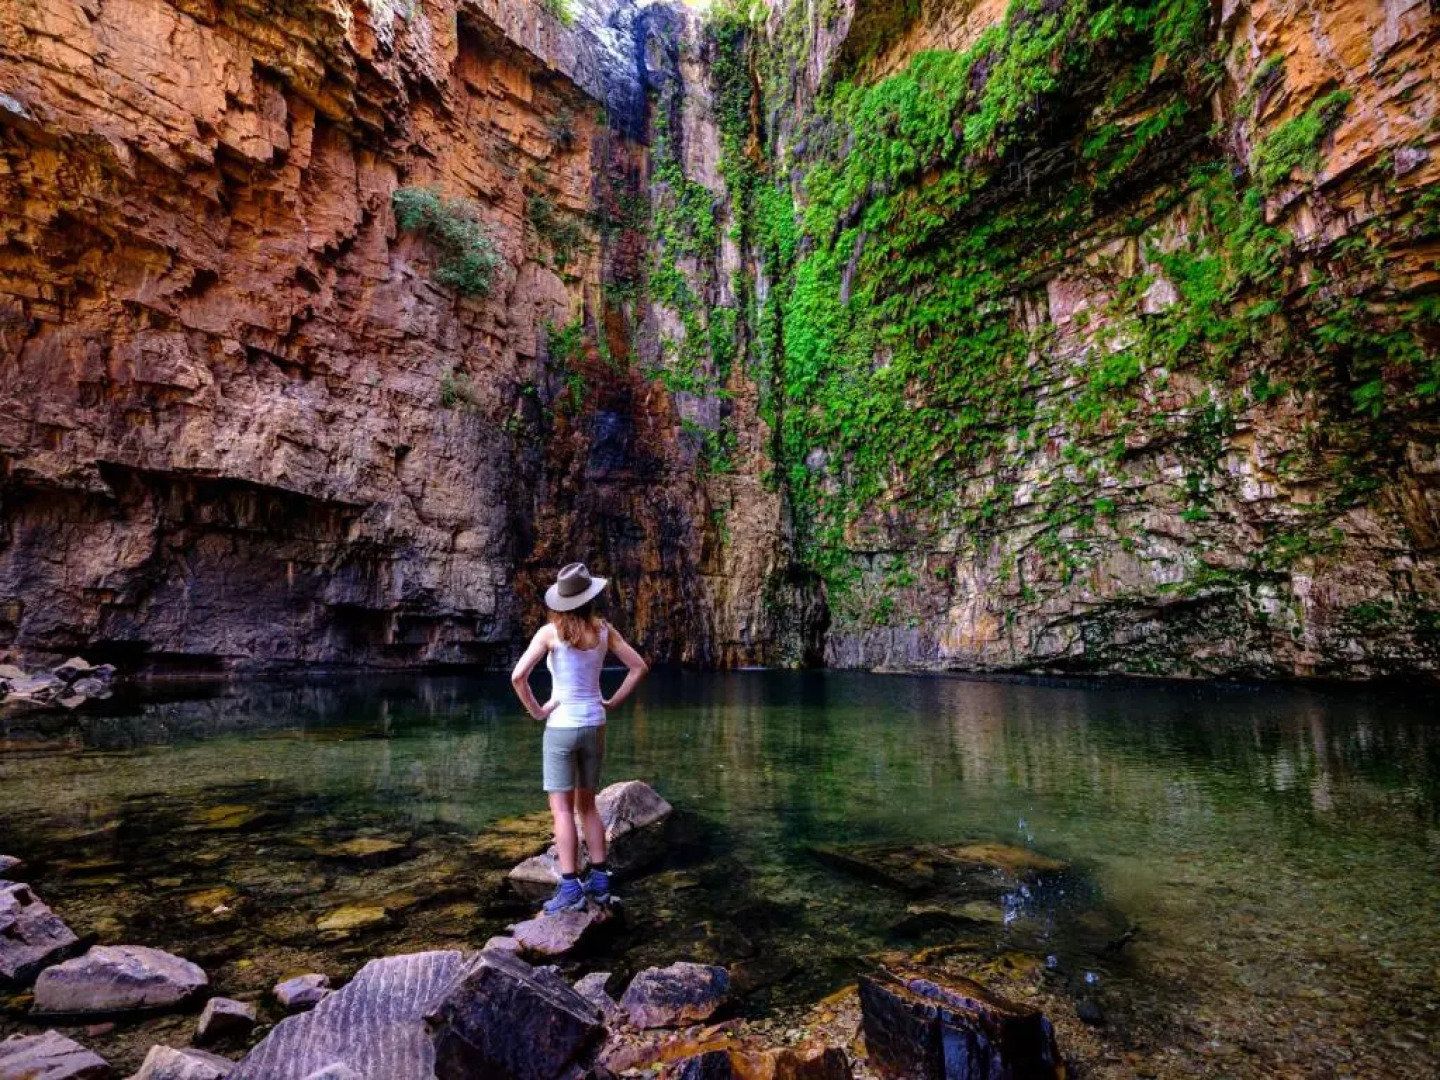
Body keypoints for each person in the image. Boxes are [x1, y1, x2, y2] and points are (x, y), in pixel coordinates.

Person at [510, 562, 649, 915]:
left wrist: (538, 712)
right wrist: (614, 700)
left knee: (561, 810)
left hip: (561, 727)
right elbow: (639, 667)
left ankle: (570, 886)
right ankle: (601, 882)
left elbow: (518, 677)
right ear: (589, 599)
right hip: (594, 724)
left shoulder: (549, 633)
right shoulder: (604, 631)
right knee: (586, 806)